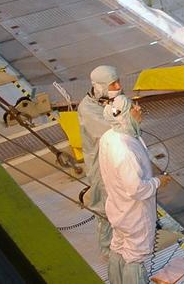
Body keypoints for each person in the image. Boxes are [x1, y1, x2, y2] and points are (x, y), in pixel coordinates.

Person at [100, 94, 171, 284]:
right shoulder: (125, 150)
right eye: (133, 107)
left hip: (117, 207)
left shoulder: (109, 137)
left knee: (118, 246)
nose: (139, 108)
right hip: (135, 214)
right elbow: (136, 189)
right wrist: (158, 182)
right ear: (123, 115)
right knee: (135, 256)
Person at [78, 66, 121, 260]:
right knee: (103, 207)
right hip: (100, 166)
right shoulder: (88, 109)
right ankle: (107, 249)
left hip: (117, 161)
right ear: (100, 86)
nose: (118, 86)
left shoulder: (112, 100)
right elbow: (111, 132)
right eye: (113, 84)